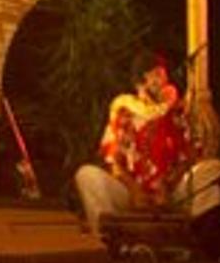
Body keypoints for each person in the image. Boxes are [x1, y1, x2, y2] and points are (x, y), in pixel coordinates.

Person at [73, 57, 190, 231]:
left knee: (211, 170)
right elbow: (114, 163)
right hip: (130, 193)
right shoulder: (124, 111)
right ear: (140, 83)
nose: (164, 82)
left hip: (169, 194)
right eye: (157, 75)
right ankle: (107, 236)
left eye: (165, 77)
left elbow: (187, 159)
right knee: (86, 174)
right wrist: (134, 190)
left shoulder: (175, 113)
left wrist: (168, 186)